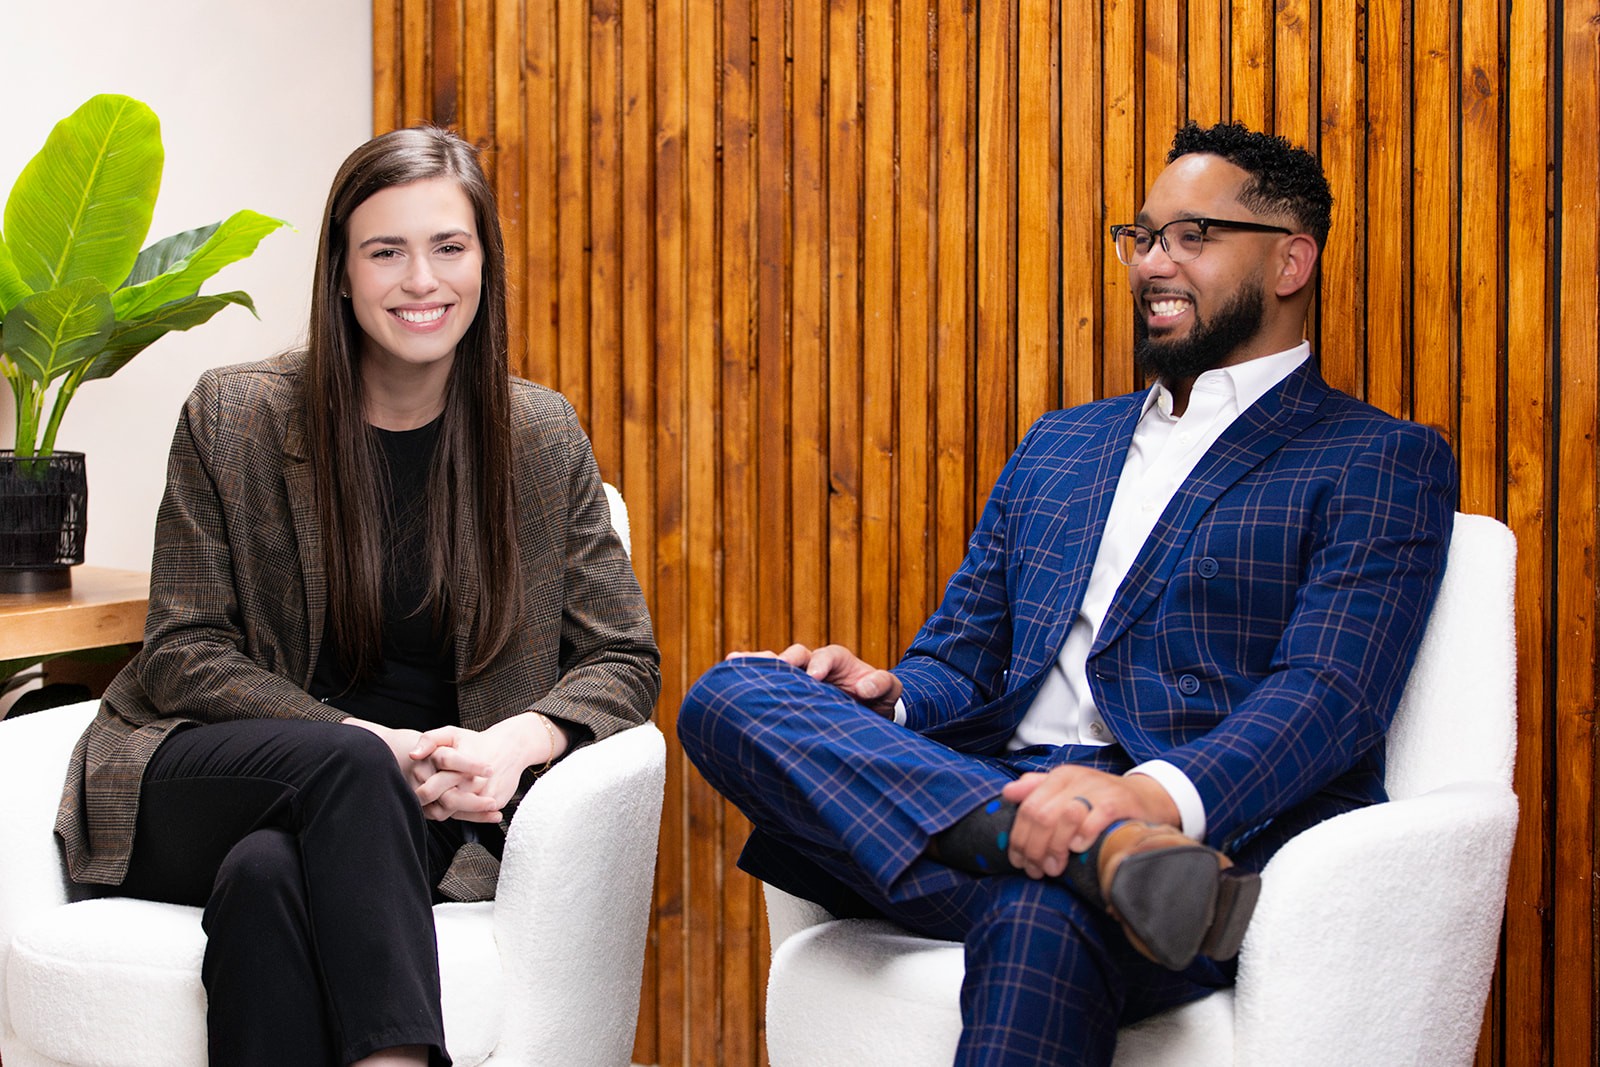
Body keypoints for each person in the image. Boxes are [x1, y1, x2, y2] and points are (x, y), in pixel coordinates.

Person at [677, 120, 1457, 1065]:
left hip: (1190, 829)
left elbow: (1329, 696)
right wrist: (895, 695)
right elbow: (959, 660)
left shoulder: (1376, 458)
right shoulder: (1063, 444)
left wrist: (1142, 800)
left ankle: (1088, 853)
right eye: (1142, 237)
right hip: (1001, 793)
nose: (1153, 263)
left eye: (1192, 236)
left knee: (1042, 903)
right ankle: (1083, 854)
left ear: (1292, 261)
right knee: (731, 691)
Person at [53, 127, 661, 1067]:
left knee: (264, 881)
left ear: (484, 264)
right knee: (347, 770)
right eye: (386, 251)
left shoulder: (539, 437)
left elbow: (622, 656)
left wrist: (513, 744)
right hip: (198, 776)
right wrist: (362, 743)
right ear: (341, 274)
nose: (422, 279)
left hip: (417, 813)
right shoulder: (236, 414)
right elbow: (182, 649)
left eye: (449, 247)